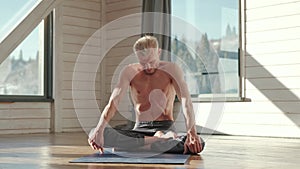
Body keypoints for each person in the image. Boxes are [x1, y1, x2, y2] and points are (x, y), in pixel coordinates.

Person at [88, 35, 204, 154]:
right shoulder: (129, 72)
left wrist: (192, 133)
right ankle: (156, 141)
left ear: (159, 52)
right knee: (96, 132)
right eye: (143, 63)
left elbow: (186, 102)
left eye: (151, 62)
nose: (148, 67)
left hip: (165, 128)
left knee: (198, 143)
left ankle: (136, 147)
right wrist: (99, 130)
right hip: (140, 130)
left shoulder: (172, 69)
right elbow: (113, 103)